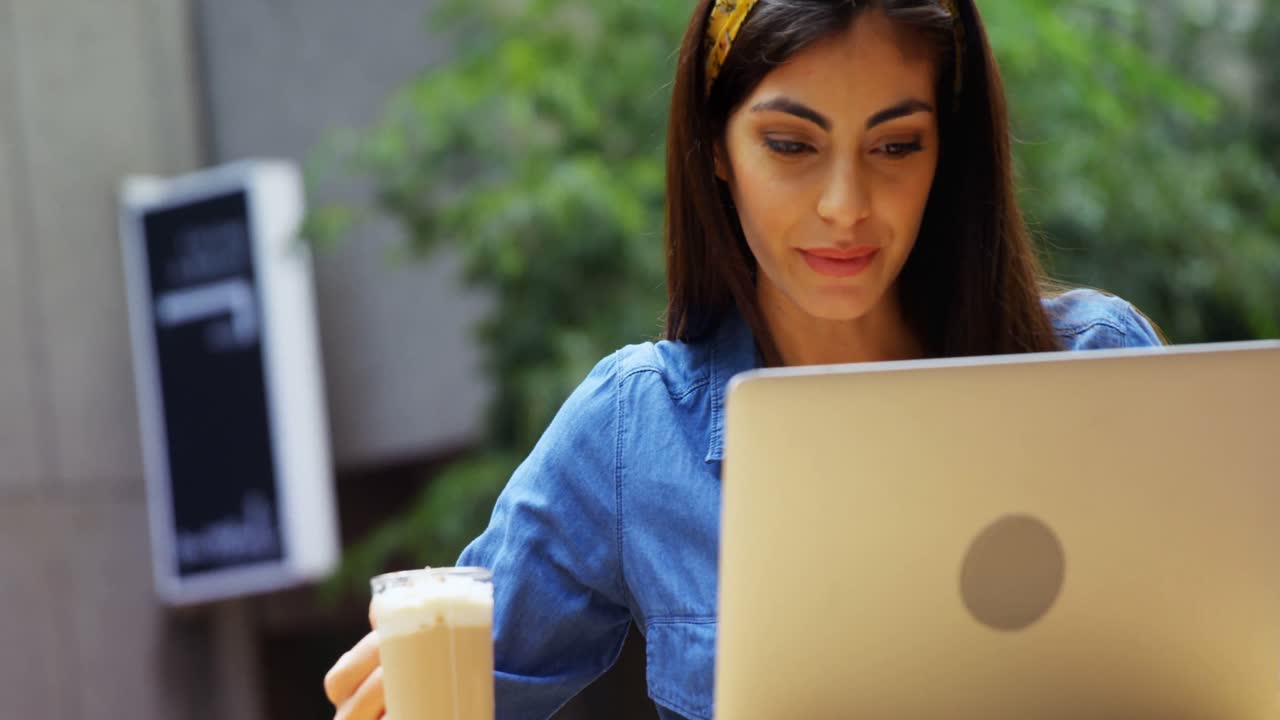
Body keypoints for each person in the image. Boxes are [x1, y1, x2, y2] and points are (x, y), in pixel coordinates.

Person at [325, 0, 1165, 718]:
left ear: (948, 152)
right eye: (792, 145)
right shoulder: (636, 430)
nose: (845, 207)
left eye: (896, 145)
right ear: (717, 150)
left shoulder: (1095, 371)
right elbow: (437, 687)